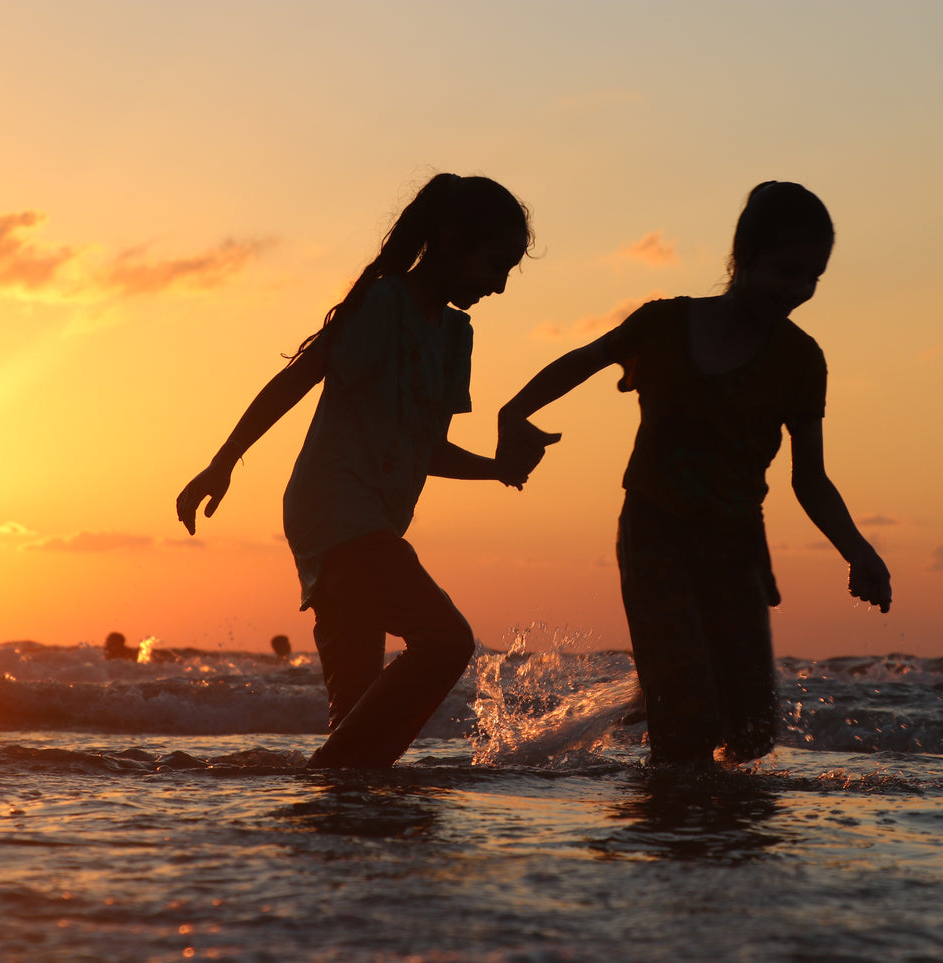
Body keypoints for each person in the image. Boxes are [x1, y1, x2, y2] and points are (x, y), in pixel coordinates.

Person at [498, 181, 891, 768]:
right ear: (745, 256)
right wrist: (513, 413)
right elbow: (582, 361)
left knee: (753, 732)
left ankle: (668, 715)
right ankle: (673, 828)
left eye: (813, 278)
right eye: (786, 271)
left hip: (735, 546)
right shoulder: (663, 326)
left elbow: (809, 478)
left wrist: (858, 550)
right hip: (655, 532)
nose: (799, 290)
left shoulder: (800, 360)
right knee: (688, 726)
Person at [177, 173, 553, 768]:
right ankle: (332, 789)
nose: (500, 285)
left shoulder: (456, 334)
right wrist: (222, 463)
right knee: (447, 640)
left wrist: (497, 469)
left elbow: (426, 449)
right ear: (452, 240)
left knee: (355, 722)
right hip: (334, 510)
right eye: (496, 264)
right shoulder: (384, 303)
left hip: (371, 522)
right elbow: (299, 376)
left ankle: (338, 822)